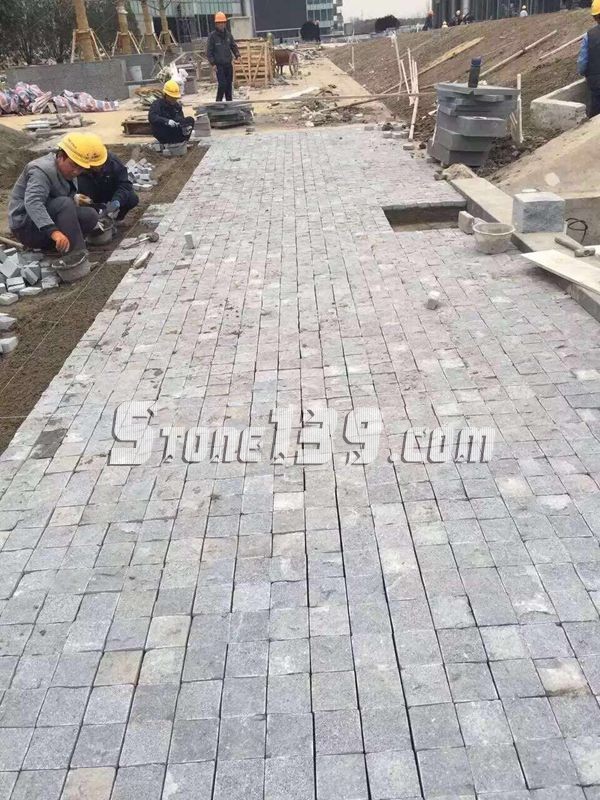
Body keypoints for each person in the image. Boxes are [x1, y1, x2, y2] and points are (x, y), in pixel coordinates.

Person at [8, 131, 106, 257]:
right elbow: (33, 203)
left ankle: (57, 247)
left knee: (90, 215)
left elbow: (53, 196)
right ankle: (76, 255)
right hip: (26, 228)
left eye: (81, 168)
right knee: (64, 204)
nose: (76, 171)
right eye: (73, 165)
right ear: (60, 156)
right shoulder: (41, 170)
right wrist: (53, 232)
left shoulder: (66, 170)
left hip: (42, 226)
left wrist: (74, 197)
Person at [77, 151, 139, 222]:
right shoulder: (82, 165)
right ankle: (95, 219)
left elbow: (124, 184)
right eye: (94, 166)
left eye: (99, 165)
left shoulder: (113, 163)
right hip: (92, 196)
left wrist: (117, 200)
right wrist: (79, 197)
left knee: (132, 198)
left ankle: (117, 219)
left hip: (110, 194)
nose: (97, 168)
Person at [207, 11, 240, 102]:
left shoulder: (228, 35)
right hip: (219, 65)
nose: (221, 24)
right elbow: (209, 51)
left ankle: (229, 103)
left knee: (228, 85)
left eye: (223, 22)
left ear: (225, 23)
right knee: (222, 84)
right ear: (216, 24)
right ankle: (218, 102)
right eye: (219, 23)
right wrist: (213, 63)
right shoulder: (212, 37)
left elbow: (233, 46)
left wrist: (237, 55)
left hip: (228, 64)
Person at [148, 80, 195, 145]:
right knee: (160, 125)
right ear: (166, 95)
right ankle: (168, 143)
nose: (174, 99)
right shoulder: (157, 104)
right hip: (163, 133)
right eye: (172, 97)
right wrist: (167, 121)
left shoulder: (176, 106)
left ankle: (183, 142)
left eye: (175, 97)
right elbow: (152, 117)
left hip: (175, 132)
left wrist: (184, 126)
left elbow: (181, 118)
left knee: (190, 120)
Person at [578, 0, 600, 117]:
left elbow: (582, 62)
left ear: (595, 17)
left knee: (596, 113)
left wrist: (583, 73)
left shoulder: (589, 35)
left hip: (596, 82)